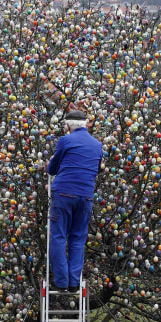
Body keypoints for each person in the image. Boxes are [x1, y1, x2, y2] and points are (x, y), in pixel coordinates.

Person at [47, 110, 103, 292]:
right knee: (78, 238)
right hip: (86, 195)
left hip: (63, 194)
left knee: (58, 236)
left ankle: (61, 281)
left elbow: (52, 169)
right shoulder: (97, 145)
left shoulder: (65, 140)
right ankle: (73, 283)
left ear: (69, 126)